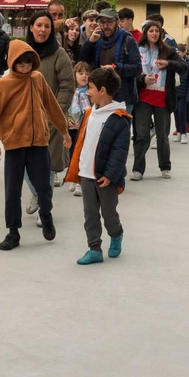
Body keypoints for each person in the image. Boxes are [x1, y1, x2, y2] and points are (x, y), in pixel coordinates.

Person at [0, 41, 70, 251]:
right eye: (21, 65)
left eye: (28, 65)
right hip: (15, 144)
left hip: (39, 143)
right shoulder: (4, 84)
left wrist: (64, 130)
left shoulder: (37, 78)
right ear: (12, 63)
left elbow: (52, 106)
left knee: (44, 185)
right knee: (12, 191)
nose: (25, 69)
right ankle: (13, 232)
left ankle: (46, 213)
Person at [66, 67, 131, 266]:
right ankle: (94, 248)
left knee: (109, 214)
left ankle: (116, 234)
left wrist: (111, 175)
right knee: (90, 214)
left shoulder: (119, 119)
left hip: (105, 178)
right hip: (86, 174)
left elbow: (120, 152)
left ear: (102, 90)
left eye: (91, 88)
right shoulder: (89, 113)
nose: (88, 91)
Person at [25, 11, 77, 193]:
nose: (43, 30)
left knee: (46, 164)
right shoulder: (23, 53)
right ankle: (36, 195)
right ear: (31, 28)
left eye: (47, 26)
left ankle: (43, 205)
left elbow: (68, 85)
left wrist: (56, 111)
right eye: (39, 25)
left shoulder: (58, 54)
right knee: (24, 163)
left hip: (49, 119)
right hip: (24, 118)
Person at [132, 22, 178, 179]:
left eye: (157, 31)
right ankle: (138, 169)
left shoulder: (168, 50)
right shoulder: (137, 50)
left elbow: (183, 67)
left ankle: (165, 166)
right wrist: (142, 80)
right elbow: (131, 73)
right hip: (143, 99)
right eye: (151, 31)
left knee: (162, 136)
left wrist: (168, 63)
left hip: (162, 100)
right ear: (145, 33)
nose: (154, 33)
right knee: (142, 135)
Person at [85, 5, 143, 110]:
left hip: (123, 98)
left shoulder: (128, 40)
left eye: (109, 22)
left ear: (117, 22)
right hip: (101, 96)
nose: (105, 26)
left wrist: (115, 68)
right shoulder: (97, 38)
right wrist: (89, 43)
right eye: (102, 22)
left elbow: (137, 68)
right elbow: (84, 62)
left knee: (120, 126)